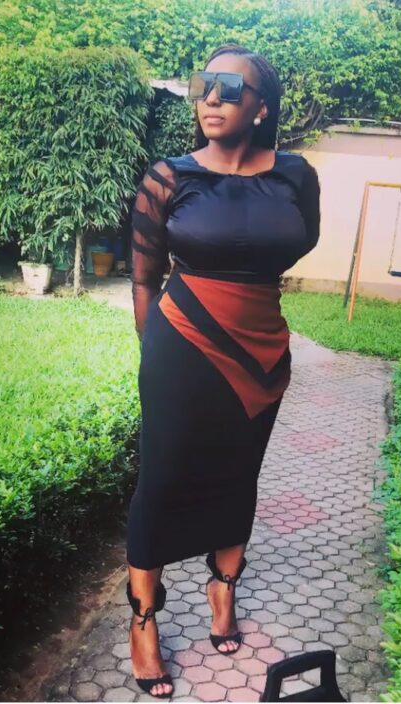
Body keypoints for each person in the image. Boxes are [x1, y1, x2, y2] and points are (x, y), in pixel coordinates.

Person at [125, 42, 321, 698]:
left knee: (240, 475)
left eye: (229, 88)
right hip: (182, 343)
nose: (210, 98)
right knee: (161, 480)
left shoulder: (296, 176)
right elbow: (144, 276)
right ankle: (144, 621)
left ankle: (222, 590)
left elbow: (301, 238)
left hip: (263, 350)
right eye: (203, 85)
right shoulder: (168, 177)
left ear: (261, 108)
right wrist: (155, 353)